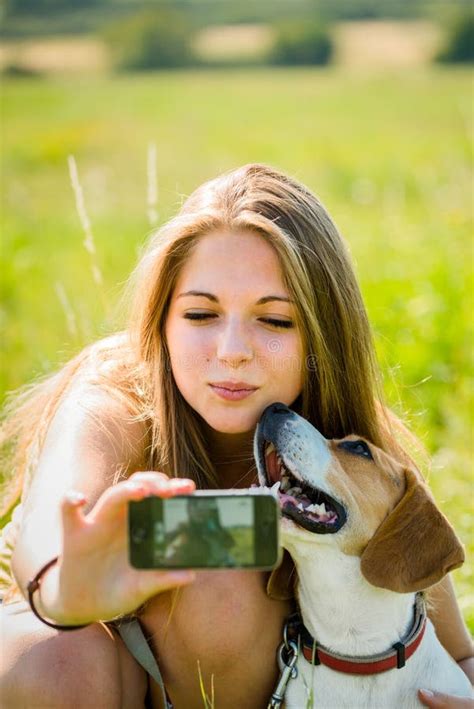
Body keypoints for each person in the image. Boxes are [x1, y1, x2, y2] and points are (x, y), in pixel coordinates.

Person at [0, 163, 472, 709]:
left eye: (274, 321)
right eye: (201, 314)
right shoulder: (114, 395)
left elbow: (456, 653)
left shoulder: (350, 457)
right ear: (162, 323)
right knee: (62, 663)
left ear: (325, 337)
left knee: (226, 586)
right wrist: (63, 586)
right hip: (69, 640)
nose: (231, 351)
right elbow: (49, 524)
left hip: (231, 666)